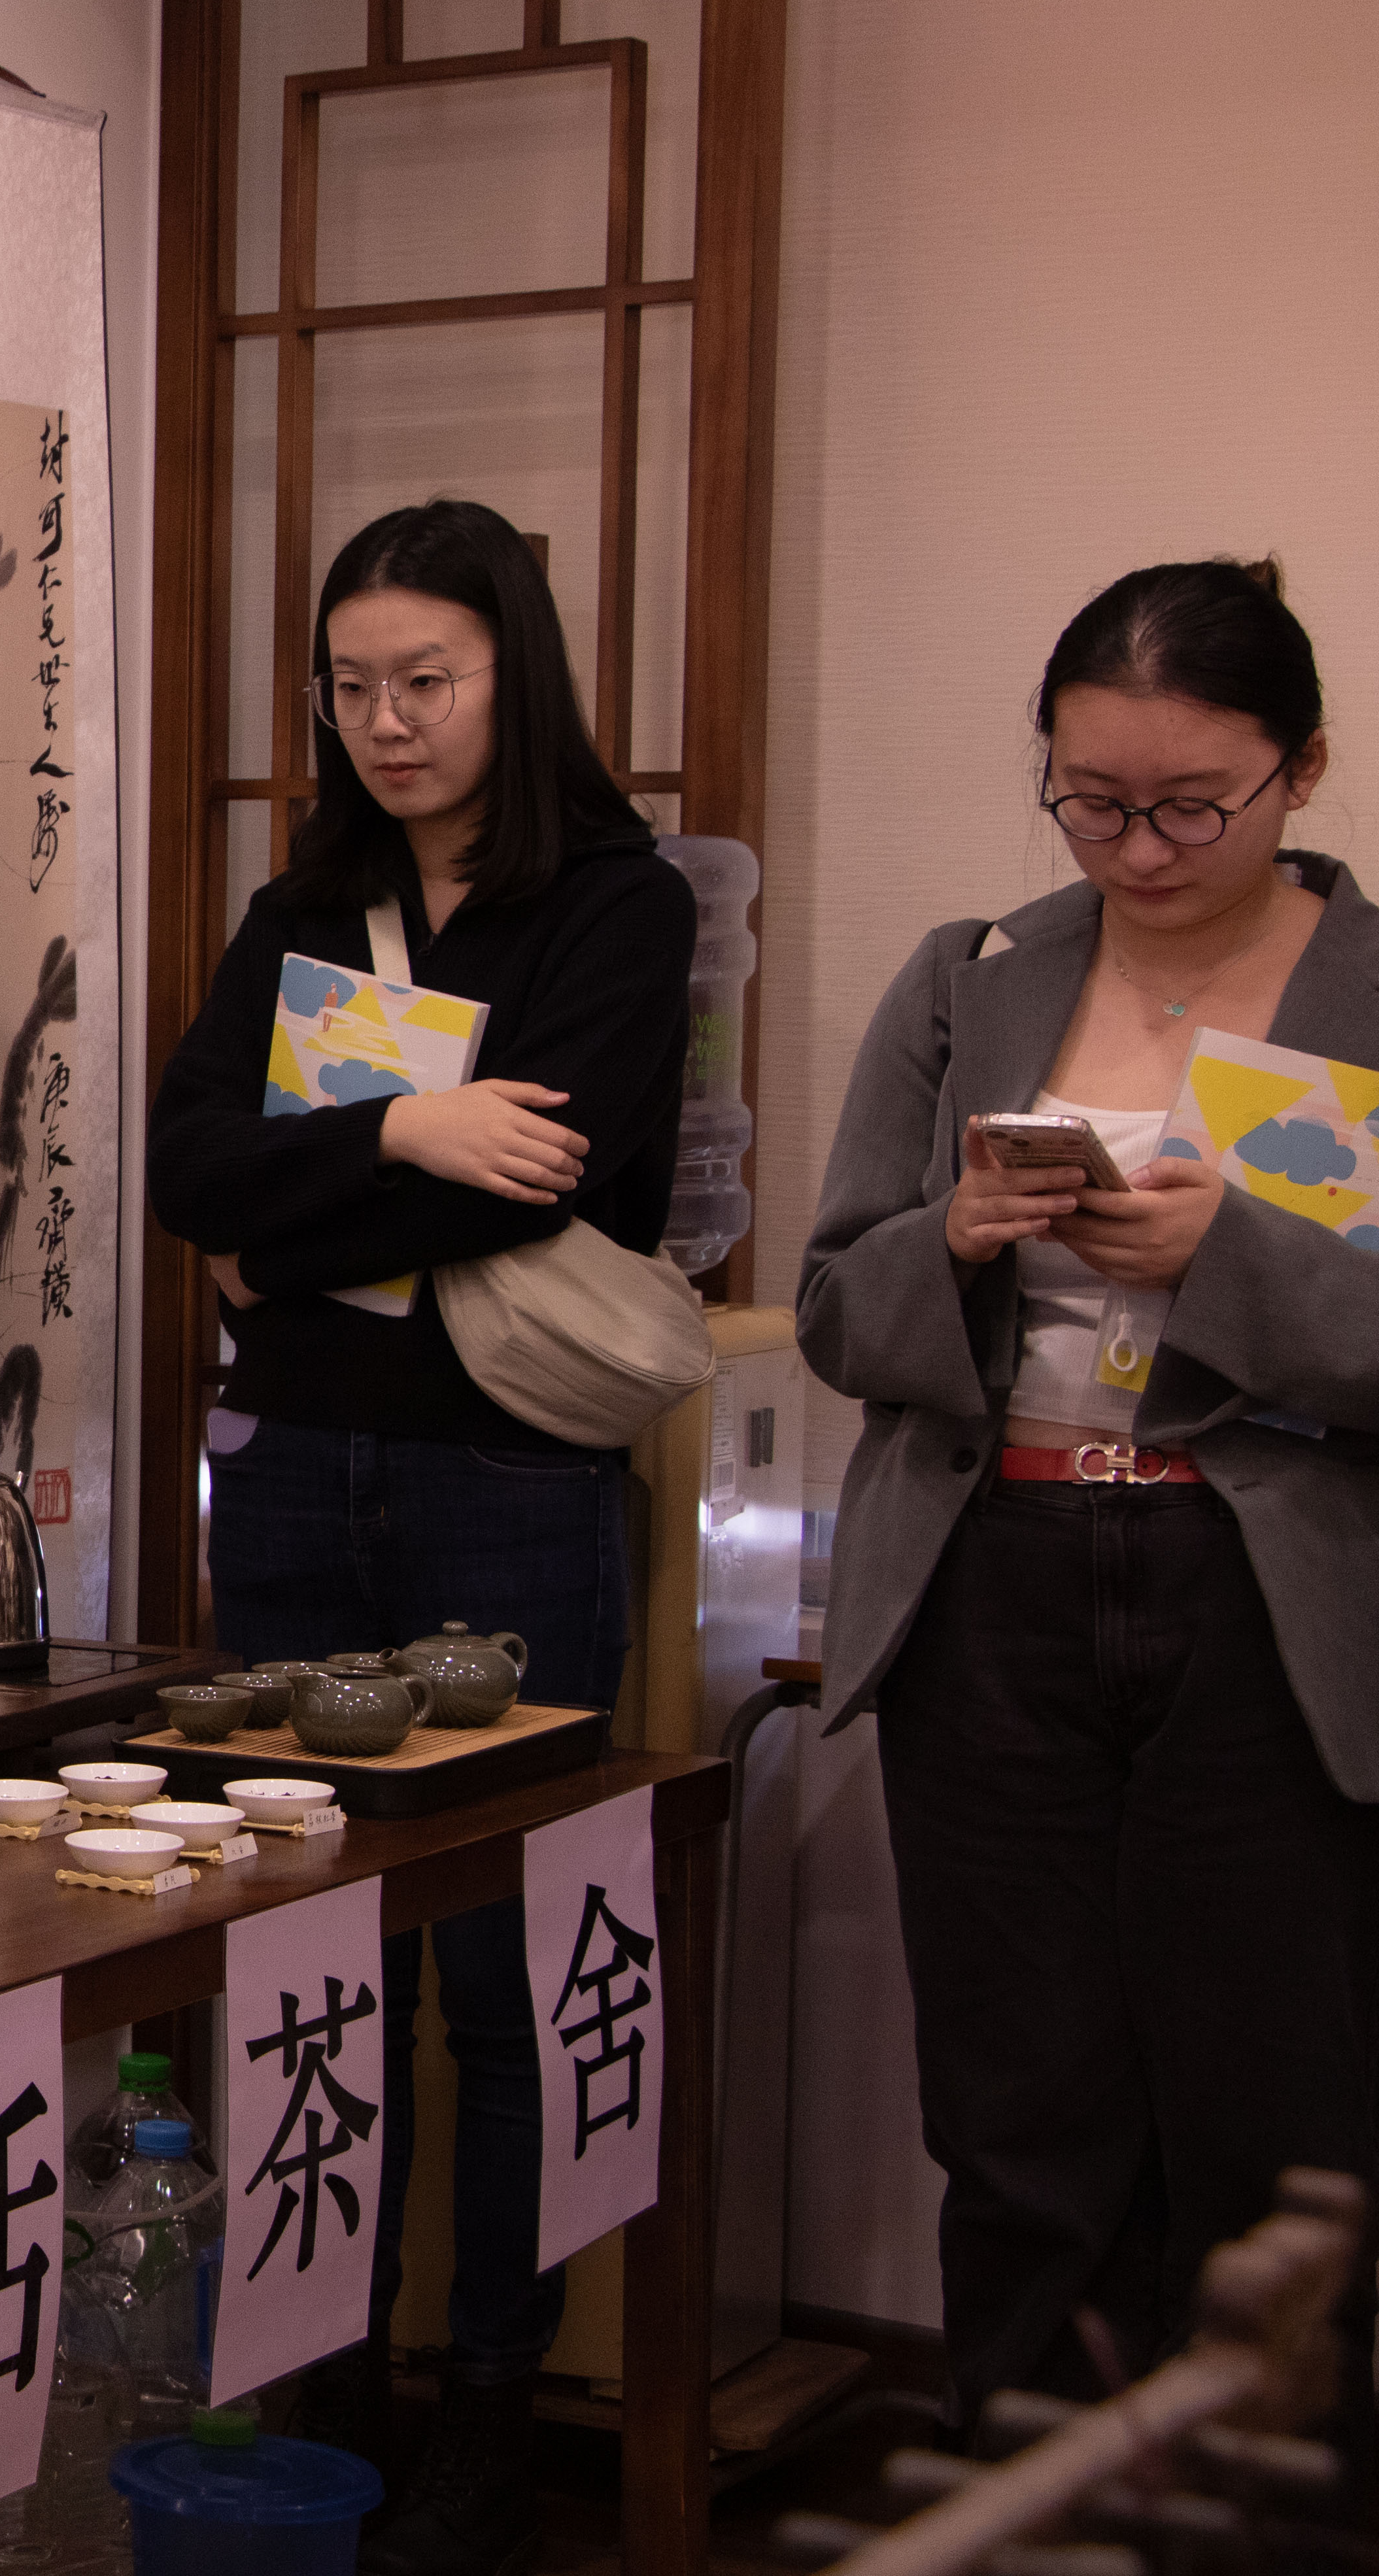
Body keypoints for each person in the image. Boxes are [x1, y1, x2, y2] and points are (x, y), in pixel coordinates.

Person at [149, 498, 695, 2575]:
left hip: (504, 1476)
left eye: (428, 682)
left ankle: (490, 2402)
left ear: (511, 675)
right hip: (295, 1466)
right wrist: (398, 1129)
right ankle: (327, 2389)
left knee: (507, 1973)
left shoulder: (614, 907)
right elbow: (193, 1166)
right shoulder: (307, 902)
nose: (387, 722)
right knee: (308, 1951)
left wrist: (301, 1216)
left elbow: (562, 1178)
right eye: (354, 686)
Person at [798, 558, 1379, 2445]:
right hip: (996, 1581)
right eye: (1092, 800)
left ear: (1304, 768)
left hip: (1265, 1599)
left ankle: (1256, 2522)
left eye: (1192, 806)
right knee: (1019, 2112)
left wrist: (1230, 1262)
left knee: (1275, 2121)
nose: (1138, 849)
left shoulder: (1370, 990)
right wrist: (959, 1236)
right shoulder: (973, 976)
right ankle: (1025, 2508)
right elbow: (833, 1305)